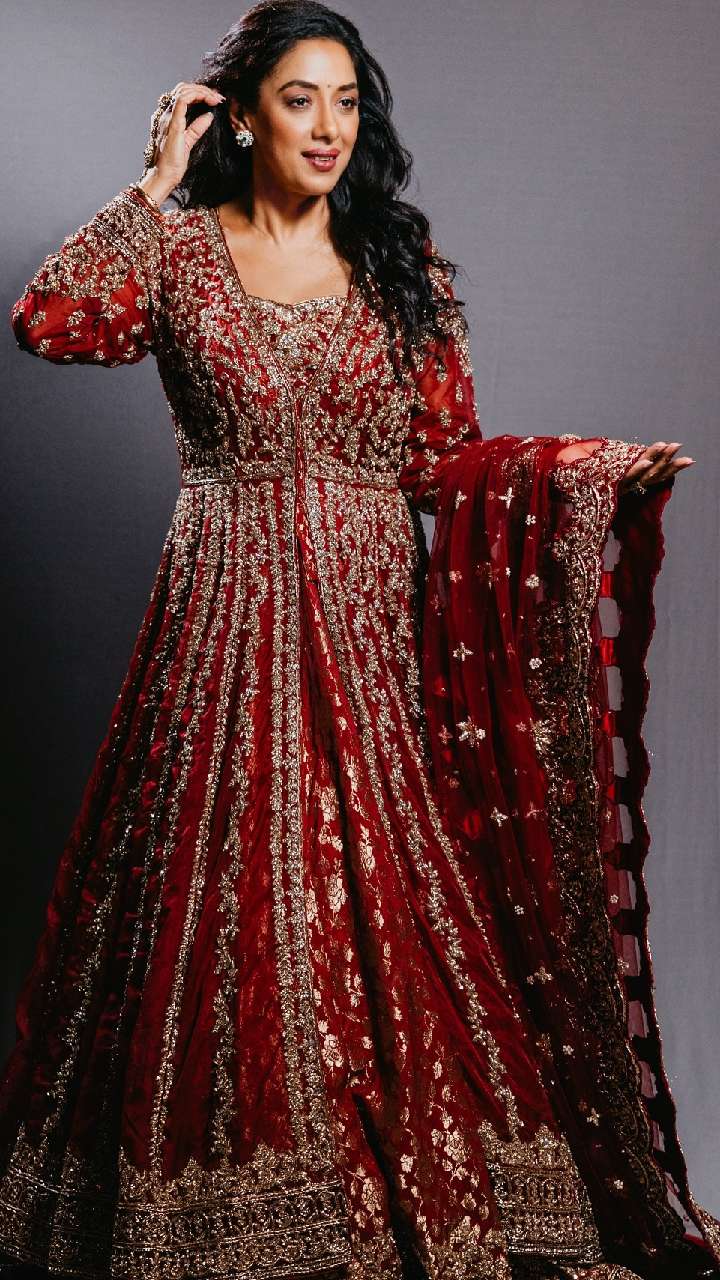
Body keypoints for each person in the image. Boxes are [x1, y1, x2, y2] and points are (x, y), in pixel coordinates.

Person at [0, 3, 716, 1279]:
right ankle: (230, 1205)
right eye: (299, 99)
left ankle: (383, 1182)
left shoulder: (399, 265)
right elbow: (51, 320)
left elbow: (444, 461)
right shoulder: (180, 253)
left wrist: (582, 473)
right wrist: (151, 184)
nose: (328, 127)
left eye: (345, 100)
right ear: (240, 116)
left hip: (370, 631)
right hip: (221, 620)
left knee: (387, 896)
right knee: (222, 894)